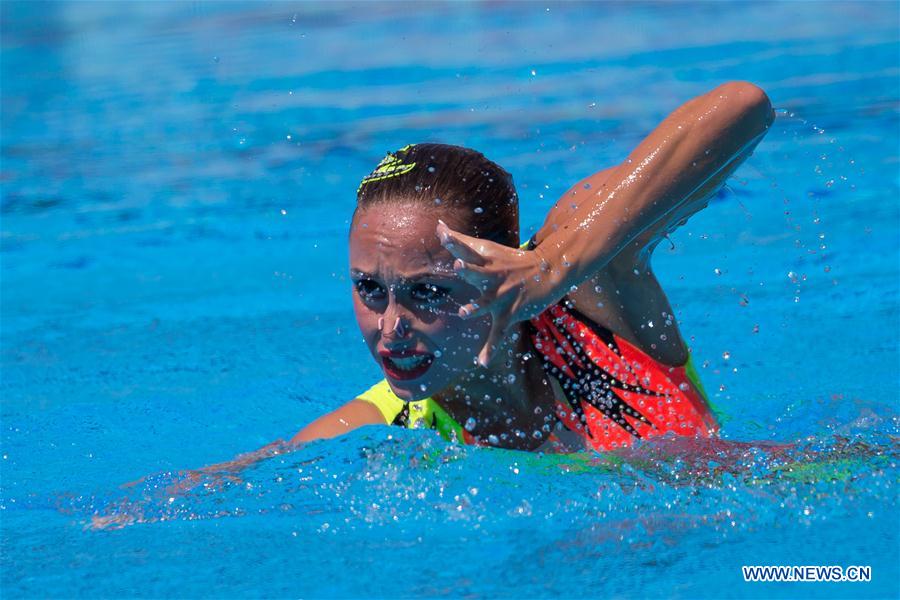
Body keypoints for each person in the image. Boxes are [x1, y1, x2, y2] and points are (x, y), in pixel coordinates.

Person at [285, 80, 774, 453]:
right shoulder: (385, 429)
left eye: (429, 291)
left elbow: (743, 107)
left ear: (498, 263)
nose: (390, 326)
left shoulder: (588, 292)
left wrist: (554, 265)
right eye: (370, 288)